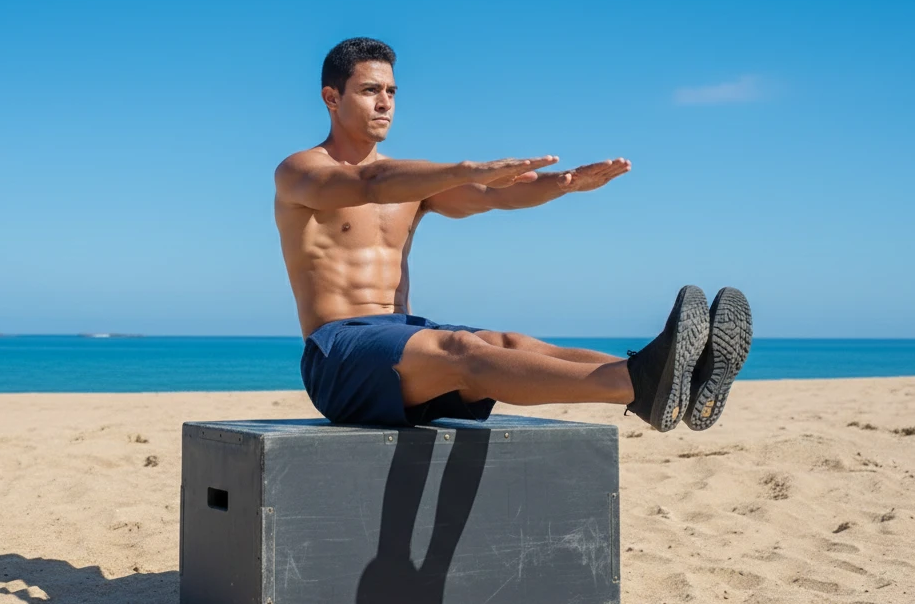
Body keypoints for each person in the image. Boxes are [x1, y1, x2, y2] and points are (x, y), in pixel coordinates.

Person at [274, 37, 752, 432]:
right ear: (331, 97)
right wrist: (464, 168)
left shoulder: (413, 185)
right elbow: (367, 183)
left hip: (400, 344)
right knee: (461, 350)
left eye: (392, 92)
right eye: (370, 90)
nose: (385, 103)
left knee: (505, 343)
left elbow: (492, 195)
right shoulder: (301, 170)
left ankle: (670, 378)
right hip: (339, 356)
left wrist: (561, 186)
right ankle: (637, 383)